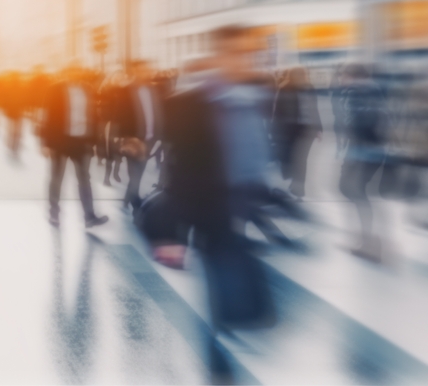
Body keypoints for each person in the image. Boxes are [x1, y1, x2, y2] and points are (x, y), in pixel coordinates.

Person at [162, 25, 277, 382]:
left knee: (236, 268)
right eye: (236, 53)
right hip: (208, 204)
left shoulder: (251, 96)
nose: (244, 61)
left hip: (242, 200)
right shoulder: (188, 104)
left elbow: (256, 151)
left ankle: (228, 330)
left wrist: (270, 196)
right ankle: (218, 346)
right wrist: (171, 231)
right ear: (218, 55)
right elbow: (177, 168)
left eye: (249, 54)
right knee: (219, 270)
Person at [41, 64, 109, 228]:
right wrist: (46, 143)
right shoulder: (55, 89)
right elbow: (47, 115)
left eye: (77, 70)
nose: (75, 73)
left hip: (82, 141)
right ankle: (54, 213)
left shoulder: (88, 89)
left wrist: (94, 142)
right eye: (71, 70)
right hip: (60, 141)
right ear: (66, 72)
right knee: (57, 179)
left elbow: (94, 116)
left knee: (85, 179)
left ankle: (89, 216)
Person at [337, 63, 388, 262]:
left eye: (343, 75)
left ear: (352, 75)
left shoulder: (357, 93)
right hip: (371, 151)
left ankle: (368, 241)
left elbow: (356, 124)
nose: (341, 79)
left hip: (361, 152)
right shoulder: (376, 91)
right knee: (356, 192)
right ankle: (365, 238)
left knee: (355, 192)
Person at [114, 60, 163, 212]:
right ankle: (135, 206)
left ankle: (128, 201)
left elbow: (158, 113)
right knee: (135, 176)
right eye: (142, 70)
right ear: (135, 71)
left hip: (151, 139)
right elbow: (120, 116)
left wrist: (160, 136)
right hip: (134, 140)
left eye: (147, 70)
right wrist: (123, 138)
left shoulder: (154, 90)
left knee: (138, 175)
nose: (146, 73)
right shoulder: (126, 91)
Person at [271, 67, 321, 199]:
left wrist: (318, 128)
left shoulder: (309, 87)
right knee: (292, 158)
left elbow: (314, 108)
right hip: (290, 129)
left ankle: (298, 188)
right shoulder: (285, 88)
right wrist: (276, 130)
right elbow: (278, 111)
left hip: (306, 130)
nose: (302, 77)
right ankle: (294, 183)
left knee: (301, 159)